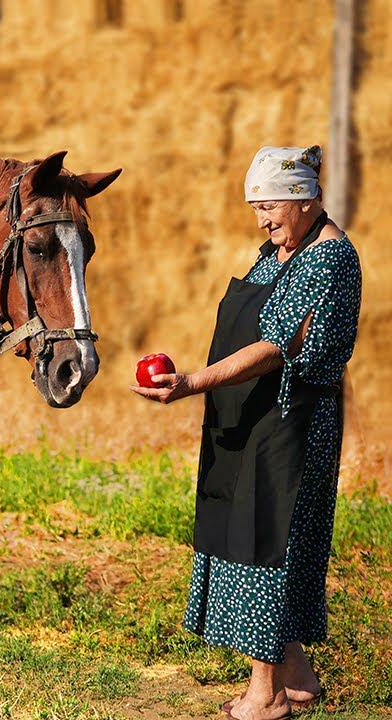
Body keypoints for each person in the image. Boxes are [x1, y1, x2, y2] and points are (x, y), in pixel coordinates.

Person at [132, 145, 361, 720]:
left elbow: (278, 344)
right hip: (254, 416)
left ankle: (268, 696)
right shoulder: (280, 252)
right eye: (255, 207)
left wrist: (193, 382)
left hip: (291, 421)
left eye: (269, 206)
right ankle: (297, 674)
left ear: (306, 200)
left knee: (268, 543)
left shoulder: (327, 259)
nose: (261, 219)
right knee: (249, 534)